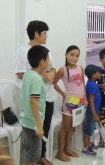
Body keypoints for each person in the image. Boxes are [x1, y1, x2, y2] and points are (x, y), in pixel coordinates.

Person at [14, 20, 55, 165]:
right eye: (44, 33)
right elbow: (20, 74)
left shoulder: (44, 52)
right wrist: (42, 76)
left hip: (44, 101)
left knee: (40, 138)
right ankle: (36, 158)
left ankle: (41, 157)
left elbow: (52, 71)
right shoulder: (24, 52)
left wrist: (48, 75)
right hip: (33, 114)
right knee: (33, 148)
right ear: (36, 34)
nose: (46, 36)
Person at [53, 45, 87, 162]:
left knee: (72, 127)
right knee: (65, 127)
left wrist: (85, 99)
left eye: (77, 56)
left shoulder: (81, 68)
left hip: (80, 101)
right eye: (72, 55)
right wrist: (63, 94)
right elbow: (54, 83)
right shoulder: (63, 70)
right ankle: (59, 152)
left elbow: (83, 84)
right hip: (69, 102)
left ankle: (67, 149)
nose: (74, 58)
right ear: (66, 55)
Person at [19, 45, 50, 165]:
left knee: (30, 154)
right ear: (42, 62)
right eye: (48, 59)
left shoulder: (28, 74)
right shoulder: (37, 79)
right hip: (33, 124)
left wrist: (40, 77)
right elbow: (33, 101)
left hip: (26, 121)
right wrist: (39, 125)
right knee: (33, 157)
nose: (49, 62)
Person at [82, 64, 102, 156]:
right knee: (88, 130)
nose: (100, 74)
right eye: (98, 72)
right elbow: (91, 101)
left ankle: (88, 144)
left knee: (90, 128)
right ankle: (85, 148)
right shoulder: (92, 85)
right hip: (90, 112)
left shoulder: (91, 83)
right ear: (94, 75)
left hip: (92, 111)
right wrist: (95, 114)